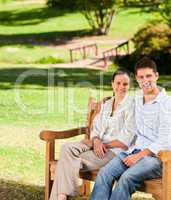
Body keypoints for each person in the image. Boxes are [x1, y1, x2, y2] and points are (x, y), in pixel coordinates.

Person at [90, 57, 171, 200]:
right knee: (104, 173)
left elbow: (164, 141)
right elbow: (119, 100)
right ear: (137, 80)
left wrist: (138, 156)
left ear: (157, 76)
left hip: (158, 159)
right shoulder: (138, 98)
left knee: (126, 178)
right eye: (141, 77)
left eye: (149, 76)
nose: (145, 80)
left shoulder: (167, 105)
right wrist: (105, 102)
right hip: (133, 152)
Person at [49, 69, 136, 200]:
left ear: (129, 86)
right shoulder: (106, 104)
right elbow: (95, 127)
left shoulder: (132, 106)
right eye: (118, 83)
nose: (121, 87)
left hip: (114, 152)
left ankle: (60, 197)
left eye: (125, 84)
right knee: (66, 149)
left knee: (67, 162)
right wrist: (95, 141)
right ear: (112, 84)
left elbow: (125, 141)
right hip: (96, 145)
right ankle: (61, 196)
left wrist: (101, 144)